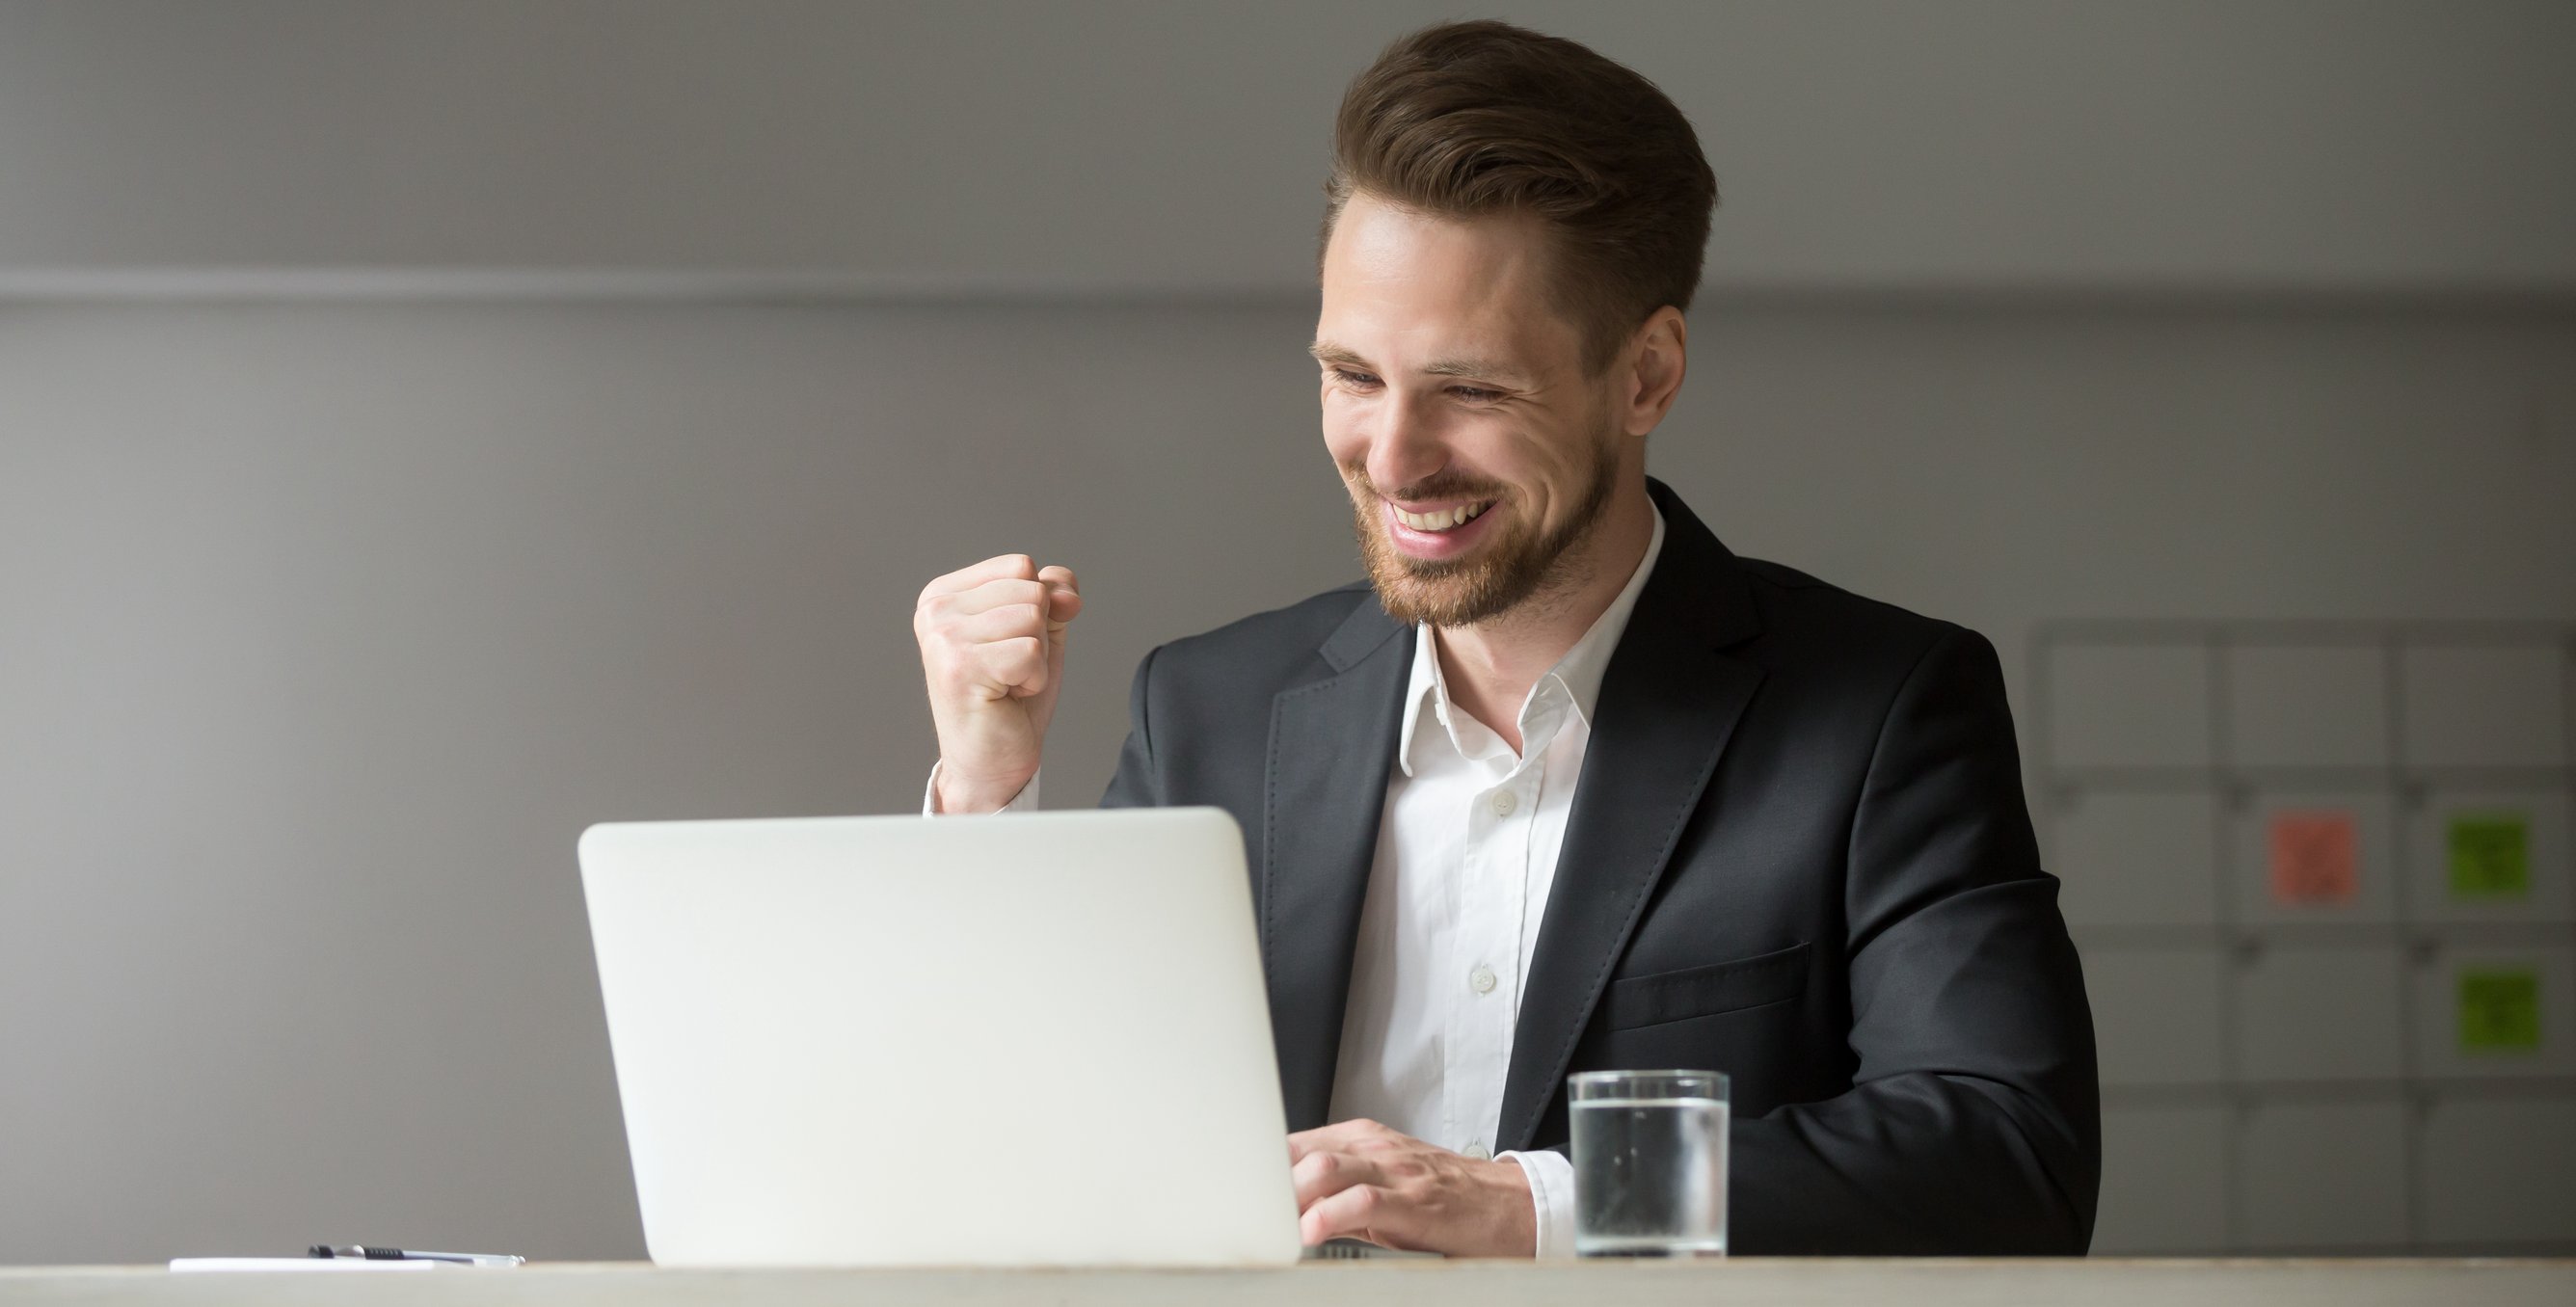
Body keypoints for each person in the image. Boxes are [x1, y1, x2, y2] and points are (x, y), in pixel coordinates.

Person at [912, 19, 2097, 1258]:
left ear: (1644, 375)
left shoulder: (1881, 712)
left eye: (1470, 389)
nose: (1393, 456)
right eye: (1352, 375)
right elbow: (1036, 1137)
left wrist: (1525, 1205)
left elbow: (2008, 1155)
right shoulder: (1207, 707)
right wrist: (988, 804)